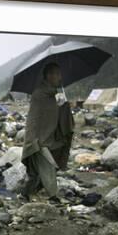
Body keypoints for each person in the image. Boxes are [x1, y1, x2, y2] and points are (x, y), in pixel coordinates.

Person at [20, 62, 74, 202]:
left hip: (49, 137)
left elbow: (55, 116)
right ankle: (53, 196)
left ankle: (25, 193)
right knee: (48, 165)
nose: (57, 76)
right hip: (37, 138)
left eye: (58, 73)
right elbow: (36, 119)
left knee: (37, 171)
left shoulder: (54, 95)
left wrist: (64, 106)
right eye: (54, 73)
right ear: (48, 76)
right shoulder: (39, 94)